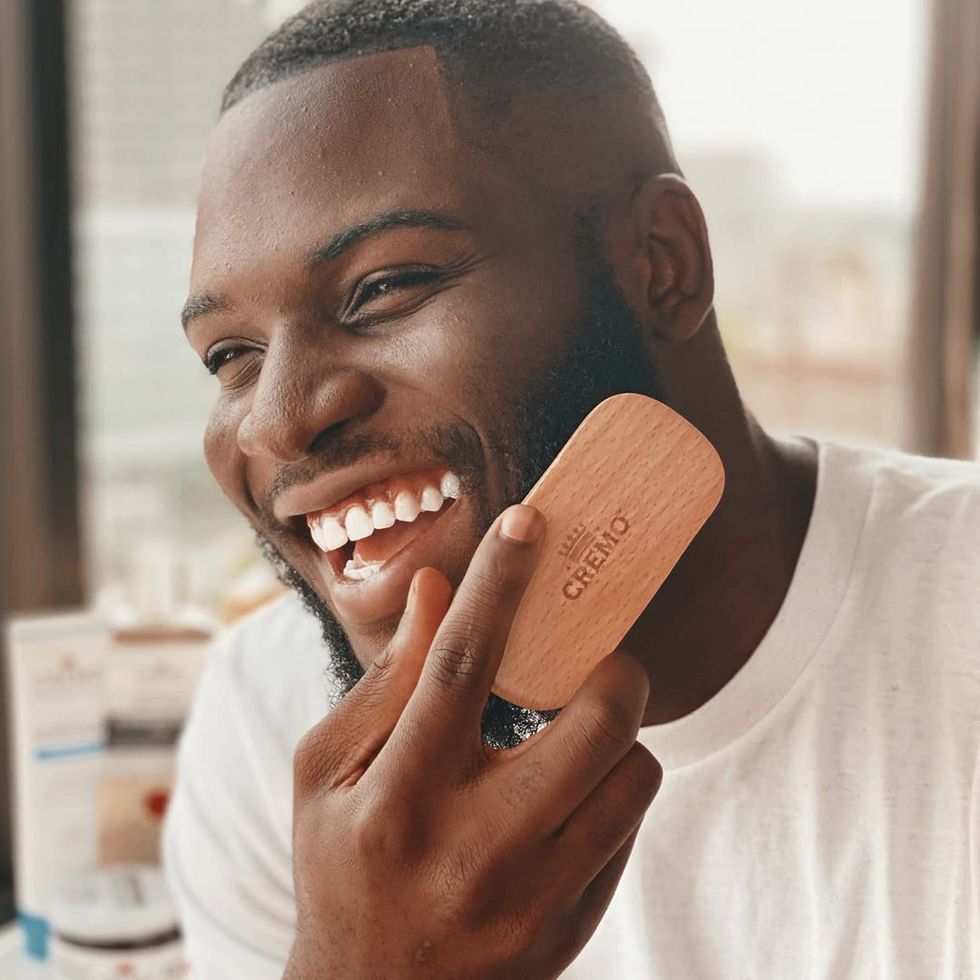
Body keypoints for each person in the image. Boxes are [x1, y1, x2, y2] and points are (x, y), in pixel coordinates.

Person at [164, 1, 980, 976]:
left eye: (383, 286)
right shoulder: (265, 719)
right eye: (231, 354)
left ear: (660, 265)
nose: (278, 419)